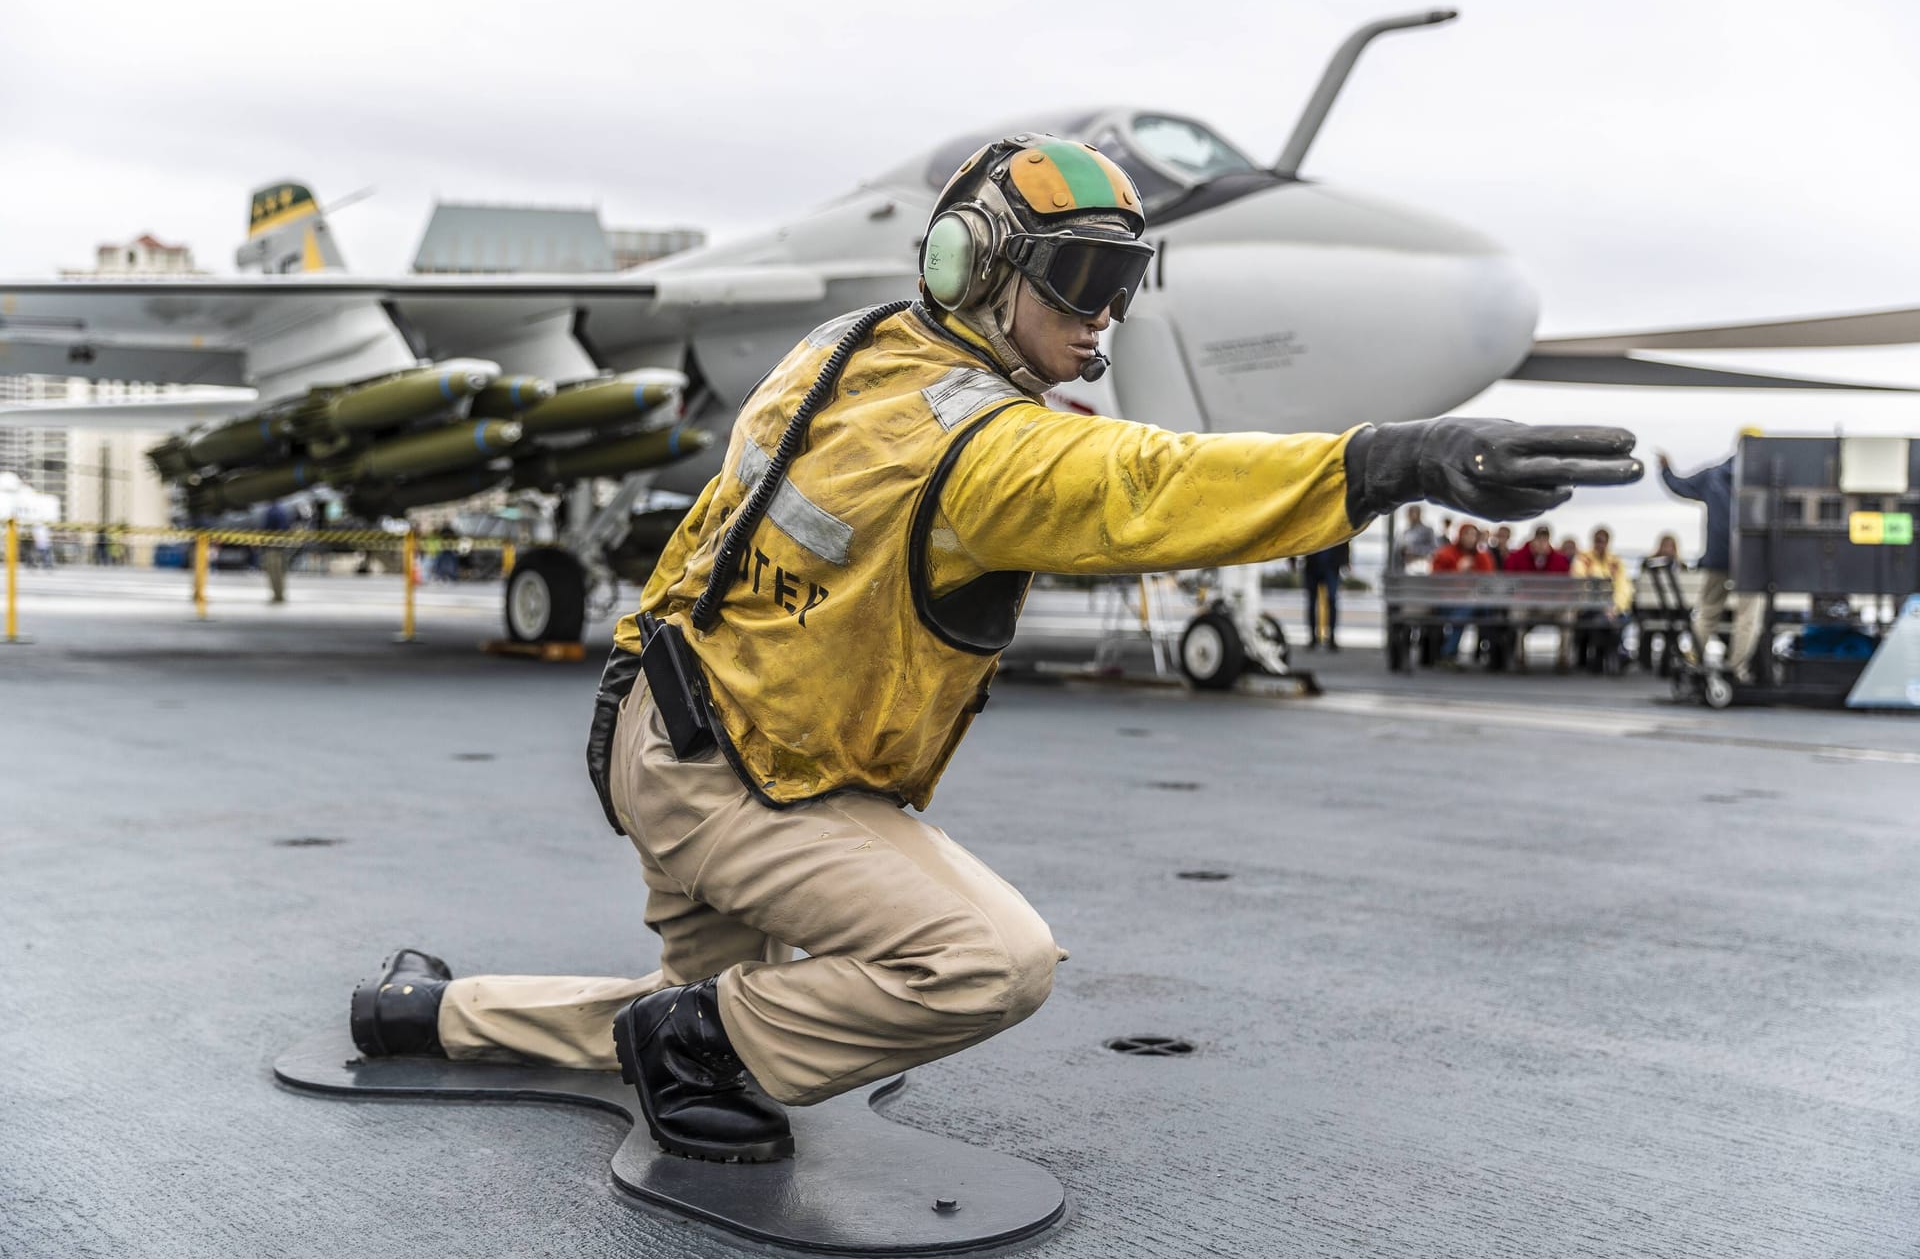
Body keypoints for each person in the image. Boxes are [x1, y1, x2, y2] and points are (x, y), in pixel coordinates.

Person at [344, 135, 1640, 1165]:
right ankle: (703, 1045)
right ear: (976, 268)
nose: (1100, 325)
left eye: (1120, 290)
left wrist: (625, 669)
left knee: (699, 1011)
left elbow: (708, 531)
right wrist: (1390, 461)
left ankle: (431, 1013)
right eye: (1077, 285)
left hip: (665, 732)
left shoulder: (832, 350)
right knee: (983, 962)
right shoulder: (990, 449)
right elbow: (1146, 487)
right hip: (750, 782)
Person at [1658, 438, 1765, 680]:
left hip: (1717, 556)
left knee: (1707, 610)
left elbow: (1680, 486)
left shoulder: (1714, 475)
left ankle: (1693, 657)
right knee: (1748, 615)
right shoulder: (1766, 478)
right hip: (1750, 558)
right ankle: (1737, 668)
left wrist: (1666, 470)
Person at [1429, 522, 1498, 665]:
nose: (1470, 538)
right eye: (1467, 534)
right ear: (1460, 535)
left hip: (1475, 604)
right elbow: (1437, 581)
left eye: (1473, 535)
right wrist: (1457, 570)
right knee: (1465, 611)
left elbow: (1488, 582)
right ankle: (1448, 653)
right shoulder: (1445, 554)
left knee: (1482, 611)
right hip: (1448, 602)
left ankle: (1449, 653)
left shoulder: (1482, 557)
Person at [1572, 525, 1631, 670]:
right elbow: (1581, 585)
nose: (1600, 544)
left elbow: (1623, 588)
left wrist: (1615, 607)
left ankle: (1605, 657)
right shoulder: (1584, 560)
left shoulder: (1615, 562)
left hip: (1612, 609)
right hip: (1589, 607)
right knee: (1601, 620)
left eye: (1603, 541)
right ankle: (1615, 655)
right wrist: (1602, 606)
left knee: (1614, 620)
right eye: (1597, 541)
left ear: (1608, 542)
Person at [1300, 541, 1350, 650]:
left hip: (1331, 564)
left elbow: (1344, 535)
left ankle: (1331, 637)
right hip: (1313, 564)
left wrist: (1345, 560)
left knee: (1331, 601)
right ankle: (1313, 638)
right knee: (1313, 603)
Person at [1503, 524, 1570, 573]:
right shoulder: (1515, 558)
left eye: (1545, 540)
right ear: (1532, 539)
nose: (1541, 544)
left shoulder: (1560, 560)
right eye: (1538, 539)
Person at [261, 501, 292, 604]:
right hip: (281, 546)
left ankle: (277, 596)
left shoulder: (272, 511)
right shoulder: (282, 510)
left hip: (272, 547)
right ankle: (280, 595)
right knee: (281, 573)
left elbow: (266, 528)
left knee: (274, 573)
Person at [1396, 505, 1437, 570]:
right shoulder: (1406, 532)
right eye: (1408, 514)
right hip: (1406, 566)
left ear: (1418, 514)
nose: (1409, 516)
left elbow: (1434, 549)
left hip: (1422, 565)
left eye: (1411, 513)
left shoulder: (1427, 530)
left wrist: (1414, 551)